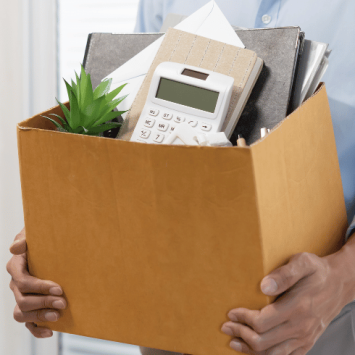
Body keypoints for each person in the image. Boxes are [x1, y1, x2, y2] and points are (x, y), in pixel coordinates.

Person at [7, 0, 355, 354]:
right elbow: (124, 141)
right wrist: (51, 238)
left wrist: (342, 279)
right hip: (166, 318)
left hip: (312, 323)